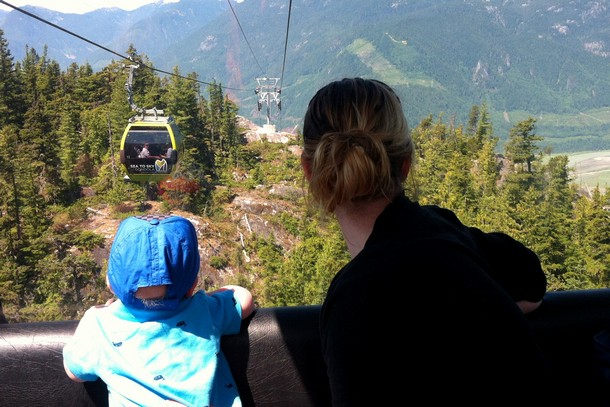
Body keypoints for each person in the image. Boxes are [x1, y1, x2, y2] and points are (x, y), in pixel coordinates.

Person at [300, 78, 556, 404]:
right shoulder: (445, 232)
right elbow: (532, 284)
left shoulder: (355, 299)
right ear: (405, 164)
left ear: (310, 171)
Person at [63, 214, 255, 407]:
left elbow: (74, 372)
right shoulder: (205, 310)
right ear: (192, 285)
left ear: (110, 284)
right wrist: (206, 298)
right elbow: (244, 299)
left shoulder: (99, 325)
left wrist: (97, 314)